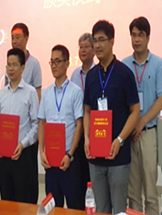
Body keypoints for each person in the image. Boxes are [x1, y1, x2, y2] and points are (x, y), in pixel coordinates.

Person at [83, 20, 140, 214]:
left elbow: (135, 110)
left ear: (112, 41)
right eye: (95, 41)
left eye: (101, 40)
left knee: (119, 210)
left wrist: (120, 139)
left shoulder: (125, 74)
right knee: (101, 209)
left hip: (118, 156)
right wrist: (87, 138)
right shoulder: (91, 76)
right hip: (95, 157)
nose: (97, 45)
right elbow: (87, 110)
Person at [123, 17, 162, 215]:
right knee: (132, 192)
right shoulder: (124, 65)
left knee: (150, 191)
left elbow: (161, 100)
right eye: (133, 35)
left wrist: (141, 122)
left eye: (140, 35)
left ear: (148, 37)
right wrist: (132, 125)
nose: (136, 40)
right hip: (129, 134)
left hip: (148, 132)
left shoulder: (158, 64)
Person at [38, 45, 84, 210]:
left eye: (58, 61)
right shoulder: (46, 93)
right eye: (52, 62)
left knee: (74, 206)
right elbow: (42, 122)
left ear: (67, 63)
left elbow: (79, 125)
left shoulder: (75, 92)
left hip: (68, 160)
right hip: (51, 160)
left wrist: (70, 154)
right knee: (52, 207)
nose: (54, 65)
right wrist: (41, 151)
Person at [0, 48, 39, 204]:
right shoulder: (2, 93)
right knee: (6, 200)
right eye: (8, 65)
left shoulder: (30, 92)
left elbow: (36, 124)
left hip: (22, 154)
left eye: (14, 65)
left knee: (22, 201)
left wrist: (23, 144)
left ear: (22, 68)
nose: (11, 69)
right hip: (4, 155)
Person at [69, 32, 95, 199]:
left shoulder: (98, 72)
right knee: (79, 176)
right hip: (78, 129)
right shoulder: (74, 74)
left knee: (93, 175)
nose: (83, 50)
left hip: (95, 129)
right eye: (80, 47)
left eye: (86, 47)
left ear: (94, 50)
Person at [10, 23, 42, 100]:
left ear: (26, 38)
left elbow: (38, 93)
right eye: (12, 38)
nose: (14, 41)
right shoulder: (9, 63)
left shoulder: (34, 63)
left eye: (17, 37)